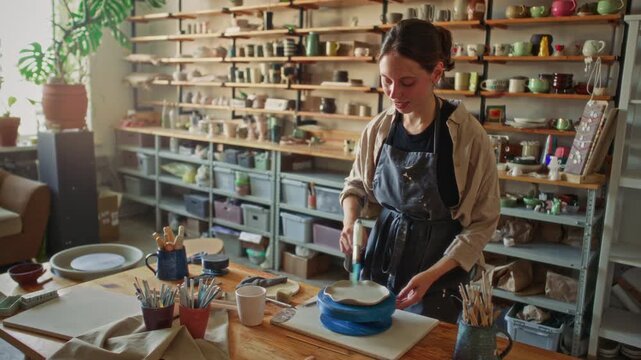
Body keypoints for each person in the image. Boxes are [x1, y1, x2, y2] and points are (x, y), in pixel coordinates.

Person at [339, 19, 500, 323]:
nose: (393, 92)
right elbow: (356, 186)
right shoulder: (379, 130)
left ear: (437, 72)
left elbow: (483, 222)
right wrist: (350, 221)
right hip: (381, 256)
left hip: (441, 273)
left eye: (407, 82)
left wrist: (432, 274)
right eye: (386, 80)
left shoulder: (468, 136)